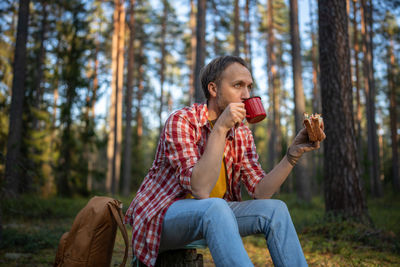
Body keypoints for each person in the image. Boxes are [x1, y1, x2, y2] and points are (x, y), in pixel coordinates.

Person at [124, 55, 325, 267]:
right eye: (238, 85)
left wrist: (291, 156)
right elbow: (200, 189)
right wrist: (220, 128)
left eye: (249, 87)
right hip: (161, 220)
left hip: (213, 219)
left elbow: (261, 192)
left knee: (276, 209)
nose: (246, 95)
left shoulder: (242, 133)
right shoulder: (182, 121)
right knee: (215, 207)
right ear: (213, 89)